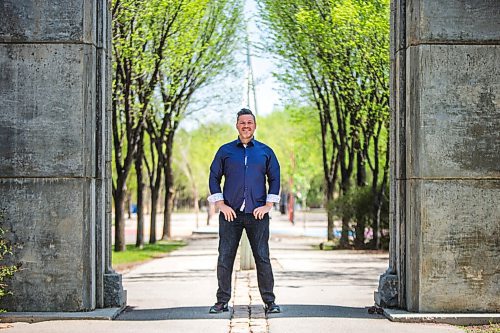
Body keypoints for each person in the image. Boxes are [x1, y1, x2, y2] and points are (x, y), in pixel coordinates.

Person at [207, 108, 281, 314]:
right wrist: (221, 205)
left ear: (255, 126)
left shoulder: (265, 151)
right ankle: (222, 301)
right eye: (242, 123)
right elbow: (214, 177)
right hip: (230, 214)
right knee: (225, 257)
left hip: (258, 214)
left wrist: (268, 205)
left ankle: (270, 302)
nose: (246, 126)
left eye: (249, 122)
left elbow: (275, 178)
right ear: (237, 125)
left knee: (263, 257)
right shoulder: (225, 151)